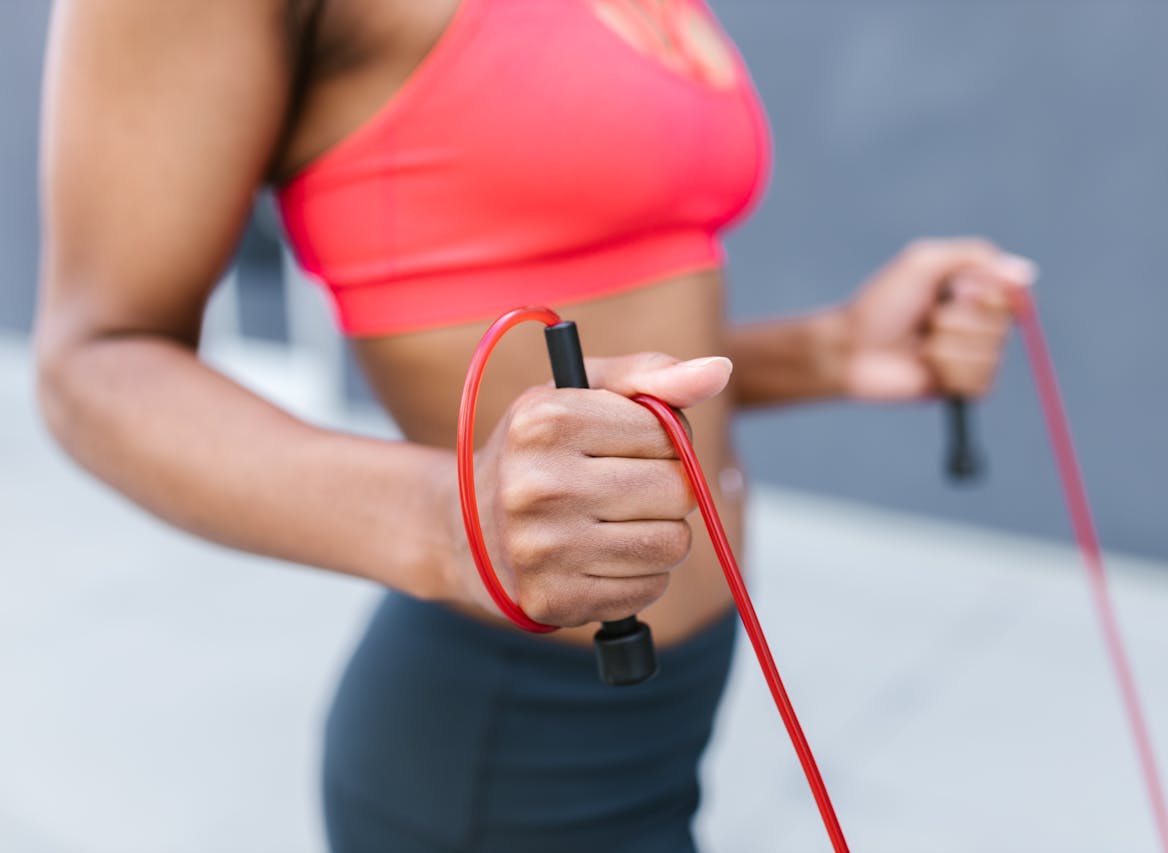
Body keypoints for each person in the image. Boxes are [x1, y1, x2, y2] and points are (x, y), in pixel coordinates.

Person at [35, 1, 1035, 850]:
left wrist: (827, 351)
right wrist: (450, 517)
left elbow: (605, 313)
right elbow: (96, 359)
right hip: (508, 742)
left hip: (670, 690)